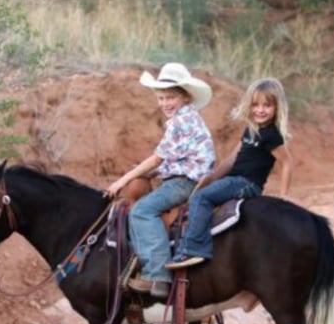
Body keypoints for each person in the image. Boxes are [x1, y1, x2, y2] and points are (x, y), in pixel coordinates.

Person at [105, 62, 216, 299]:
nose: (165, 103)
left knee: (142, 211)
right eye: (161, 98)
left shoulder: (180, 121)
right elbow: (170, 160)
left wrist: (122, 180)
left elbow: (157, 158)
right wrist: (147, 173)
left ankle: (157, 275)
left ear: (185, 97)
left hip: (183, 182)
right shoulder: (189, 117)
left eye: (171, 97)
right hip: (184, 176)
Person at [165, 77, 294, 270]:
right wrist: (210, 178)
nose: (260, 110)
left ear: (277, 108)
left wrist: (284, 195)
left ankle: (194, 249)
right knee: (200, 192)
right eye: (255, 105)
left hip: (246, 183)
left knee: (202, 198)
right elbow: (231, 160)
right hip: (233, 179)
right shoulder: (251, 130)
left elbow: (287, 163)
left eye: (267, 105)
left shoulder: (271, 135)